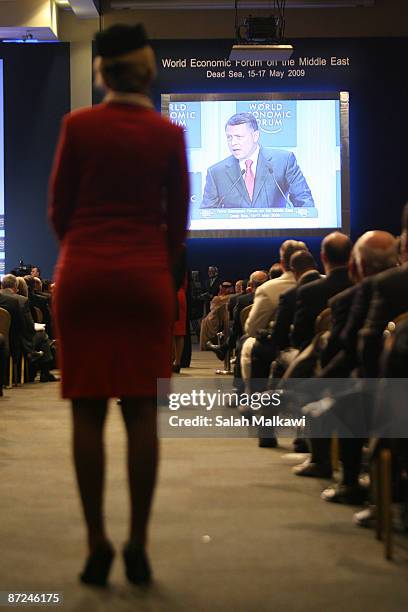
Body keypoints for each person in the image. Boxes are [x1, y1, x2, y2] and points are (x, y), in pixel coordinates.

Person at [48, 23, 189, 588]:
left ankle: (95, 544)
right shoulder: (169, 134)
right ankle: (138, 543)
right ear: (149, 72)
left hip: (83, 275)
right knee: (140, 416)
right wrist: (143, 257)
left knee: (86, 411)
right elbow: (177, 225)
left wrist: (86, 249)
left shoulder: (77, 126)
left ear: (101, 72)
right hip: (143, 280)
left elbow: (59, 208)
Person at [201, 113, 314, 209]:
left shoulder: (284, 161)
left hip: (276, 233)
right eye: (229, 137)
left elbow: (305, 203)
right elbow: (207, 215)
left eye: (239, 137)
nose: (233, 143)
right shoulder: (216, 173)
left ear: (255, 136)